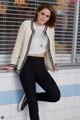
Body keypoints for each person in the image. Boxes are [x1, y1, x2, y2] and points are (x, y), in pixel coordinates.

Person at [0, 3, 61, 120]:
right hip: (26, 65)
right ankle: (31, 97)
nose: (44, 17)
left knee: (55, 95)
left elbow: (51, 48)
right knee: (33, 107)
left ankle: (30, 96)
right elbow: (18, 45)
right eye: (42, 13)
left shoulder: (50, 29)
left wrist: (53, 64)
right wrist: (12, 64)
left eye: (47, 16)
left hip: (40, 65)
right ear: (37, 12)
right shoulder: (26, 24)